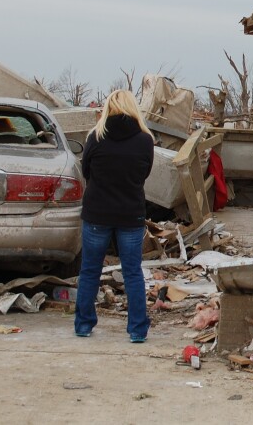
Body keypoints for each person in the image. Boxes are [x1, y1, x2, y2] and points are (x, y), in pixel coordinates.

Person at [74, 90, 154, 342]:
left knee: (89, 271)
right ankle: (138, 330)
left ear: (108, 107)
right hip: (130, 214)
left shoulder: (96, 137)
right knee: (133, 273)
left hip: (97, 213)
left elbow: (86, 170)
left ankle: (83, 325)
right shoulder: (145, 140)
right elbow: (144, 173)